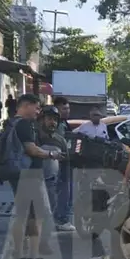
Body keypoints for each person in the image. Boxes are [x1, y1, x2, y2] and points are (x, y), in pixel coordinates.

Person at [0, 93, 63, 259]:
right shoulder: (24, 124)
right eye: (36, 107)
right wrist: (52, 154)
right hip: (28, 175)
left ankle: (23, 253)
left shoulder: (11, 123)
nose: (38, 111)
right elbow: (31, 149)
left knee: (26, 215)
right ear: (26, 106)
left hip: (18, 174)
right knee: (36, 216)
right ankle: (33, 256)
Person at [36, 106, 66, 217]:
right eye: (49, 119)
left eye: (55, 120)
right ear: (41, 120)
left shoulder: (61, 140)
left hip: (53, 184)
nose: (53, 122)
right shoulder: (34, 137)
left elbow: (65, 165)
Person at [52, 96, 75, 232]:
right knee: (64, 191)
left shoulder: (63, 123)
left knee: (65, 190)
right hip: (60, 160)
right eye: (64, 108)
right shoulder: (57, 124)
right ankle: (61, 219)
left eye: (68, 108)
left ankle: (60, 217)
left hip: (64, 160)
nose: (67, 111)